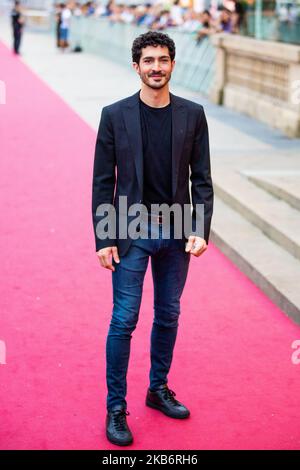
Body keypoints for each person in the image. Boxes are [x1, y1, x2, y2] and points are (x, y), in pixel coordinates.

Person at [91, 31, 214, 446]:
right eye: (148, 61)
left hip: (177, 230)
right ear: (137, 66)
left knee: (168, 315)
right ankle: (115, 408)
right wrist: (104, 238)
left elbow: (203, 180)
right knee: (124, 320)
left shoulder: (193, 114)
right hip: (130, 231)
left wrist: (199, 229)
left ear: (173, 65)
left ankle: (157, 388)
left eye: (163, 60)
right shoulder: (114, 114)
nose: (156, 67)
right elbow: (103, 181)